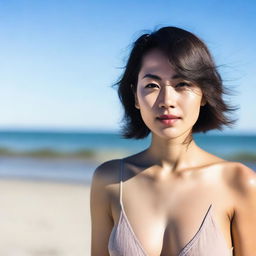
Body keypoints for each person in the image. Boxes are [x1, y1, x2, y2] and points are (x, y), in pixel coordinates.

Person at [90, 26, 256, 256]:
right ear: (135, 96)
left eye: (182, 84)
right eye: (151, 85)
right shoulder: (109, 180)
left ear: (205, 94)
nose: (167, 100)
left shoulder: (239, 183)